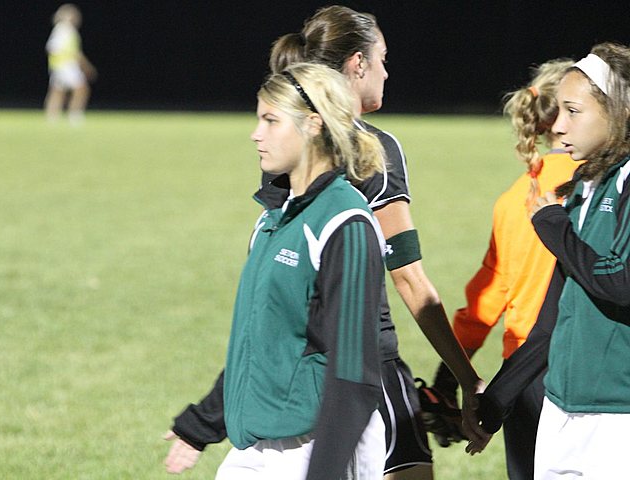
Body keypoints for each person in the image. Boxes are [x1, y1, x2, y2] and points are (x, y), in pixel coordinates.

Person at [164, 6, 486, 479]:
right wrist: (467, 377)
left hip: (293, 379)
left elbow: (273, 314)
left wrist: (204, 420)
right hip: (358, 367)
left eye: (267, 121)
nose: (386, 70)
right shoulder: (355, 154)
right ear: (357, 63)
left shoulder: (290, 157)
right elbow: (410, 280)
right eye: (382, 58)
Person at [206, 61, 386, 479]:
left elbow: (356, 372)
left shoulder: (345, 222)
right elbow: (262, 338)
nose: (256, 134)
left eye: (271, 120)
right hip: (259, 440)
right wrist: (205, 420)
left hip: (320, 443)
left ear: (313, 125)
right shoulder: (273, 219)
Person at [467, 42, 630, 479]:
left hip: (618, 412)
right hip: (562, 406)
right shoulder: (584, 186)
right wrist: (497, 400)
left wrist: (555, 227)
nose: (557, 126)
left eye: (573, 111)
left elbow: (623, 283)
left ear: (619, 110)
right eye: (557, 110)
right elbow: (552, 315)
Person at [429, 59, 577, 479]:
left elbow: (487, 296)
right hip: (576, 364)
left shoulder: (515, 197)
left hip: (521, 376)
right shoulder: (595, 187)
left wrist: (446, 378)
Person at [44, 3, 97, 125]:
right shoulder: (65, 29)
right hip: (65, 65)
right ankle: (74, 115)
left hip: (60, 66)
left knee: (57, 91)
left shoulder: (62, 29)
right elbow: (60, 50)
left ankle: (51, 117)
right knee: (81, 88)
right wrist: (86, 66)